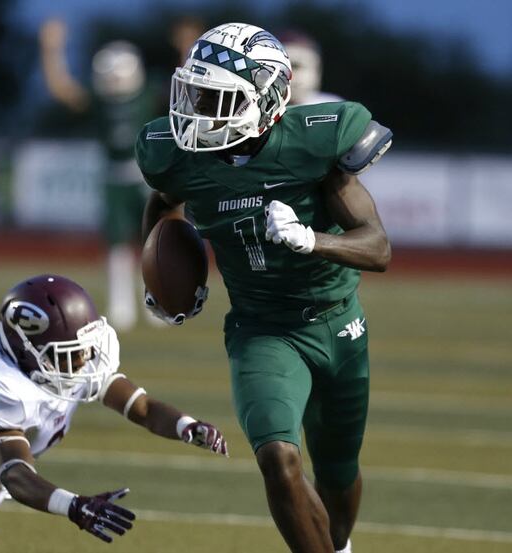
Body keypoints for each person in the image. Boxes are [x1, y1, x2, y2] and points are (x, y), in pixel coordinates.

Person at [136, 23, 393, 553]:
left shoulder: (315, 141)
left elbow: (378, 248)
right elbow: (164, 200)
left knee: (338, 470)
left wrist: (310, 239)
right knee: (279, 457)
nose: (197, 111)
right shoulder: (179, 156)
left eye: (216, 98)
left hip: (337, 322)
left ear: (266, 100)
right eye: (194, 93)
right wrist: (162, 278)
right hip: (261, 329)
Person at [0, 274, 228, 553]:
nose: (85, 360)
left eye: (85, 347)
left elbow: (141, 407)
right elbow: (15, 473)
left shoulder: (48, 360)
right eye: (72, 352)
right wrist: (74, 506)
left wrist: (187, 425)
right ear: (30, 350)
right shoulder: (4, 390)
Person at [39, 19, 154, 331]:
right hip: (113, 176)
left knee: (153, 240)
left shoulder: (148, 95)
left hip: (146, 176)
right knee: (116, 243)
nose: (114, 80)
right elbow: (62, 89)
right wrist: (51, 49)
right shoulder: (99, 99)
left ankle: (157, 300)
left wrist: (187, 48)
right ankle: (121, 306)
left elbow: (186, 91)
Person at [277, 30, 342, 106]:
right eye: (278, 67)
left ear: (317, 70)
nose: (286, 75)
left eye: (295, 66)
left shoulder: (336, 110)